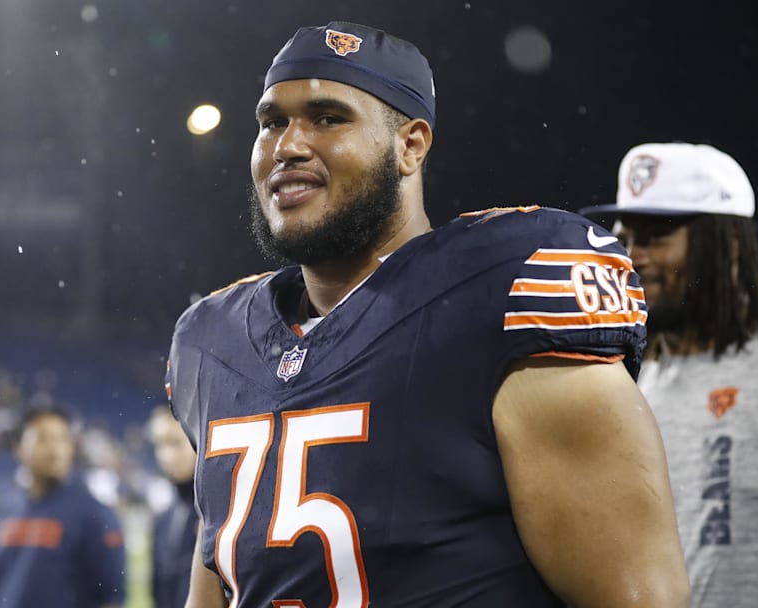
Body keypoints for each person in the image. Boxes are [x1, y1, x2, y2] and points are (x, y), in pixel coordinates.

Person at [166, 21, 690, 608]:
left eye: (328, 118)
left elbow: (639, 599)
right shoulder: (212, 343)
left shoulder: (503, 292)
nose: (287, 145)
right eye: (272, 122)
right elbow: (219, 585)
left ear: (411, 144)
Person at [581, 142, 758, 607]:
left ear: (727, 245)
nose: (631, 257)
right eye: (623, 238)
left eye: (653, 237)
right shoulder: (623, 384)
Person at [0, 407, 125, 608]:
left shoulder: (96, 514)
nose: (54, 449)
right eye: (42, 439)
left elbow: (111, 599)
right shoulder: (5, 510)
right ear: (19, 449)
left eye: (62, 439)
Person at [146, 405, 198, 608]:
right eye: (160, 444)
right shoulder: (163, 519)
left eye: (175, 443)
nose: (166, 455)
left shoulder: (220, 513)